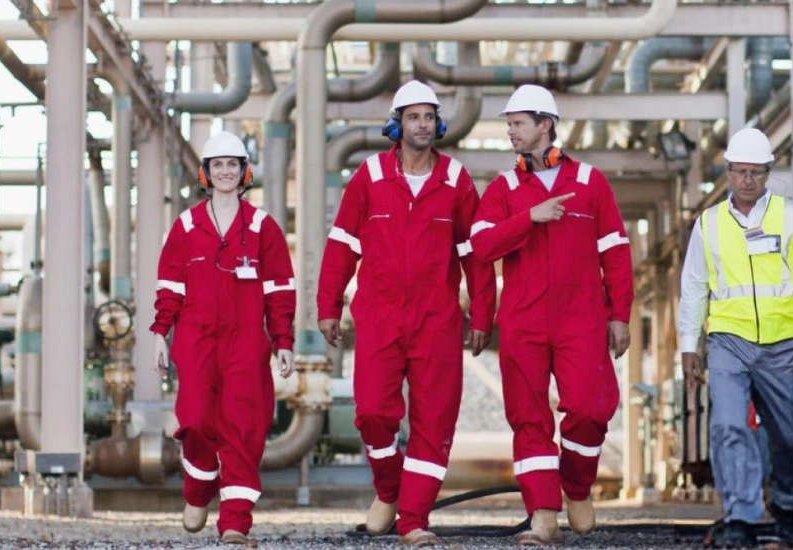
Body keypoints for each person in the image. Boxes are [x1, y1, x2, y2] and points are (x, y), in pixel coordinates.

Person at [316, 80, 497, 547]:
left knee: (435, 421)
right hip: (379, 316)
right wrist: (328, 304)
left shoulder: (455, 180)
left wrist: (482, 314)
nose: (422, 125)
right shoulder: (370, 176)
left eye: (429, 117)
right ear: (396, 125)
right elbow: (342, 244)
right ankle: (389, 490)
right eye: (413, 117)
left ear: (438, 124)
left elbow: (474, 254)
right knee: (373, 411)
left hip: (436, 320)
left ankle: (413, 519)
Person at [468, 84, 634, 546]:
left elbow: (616, 251)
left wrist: (619, 314)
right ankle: (542, 514)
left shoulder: (589, 183)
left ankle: (577, 487)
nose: (510, 132)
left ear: (546, 125)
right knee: (529, 417)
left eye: (518, 123)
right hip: (523, 319)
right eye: (508, 124)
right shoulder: (503, 189)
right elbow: (481, 245)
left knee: (590, 407)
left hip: (581, 317)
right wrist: (529, 218)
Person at [678, 128, 793, 549]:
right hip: (728, 341)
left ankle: (787, 507)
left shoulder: (791, 216)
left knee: (788, 434)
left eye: (756, 172)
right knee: (728, 425)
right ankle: (740, 516)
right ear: (727, 172)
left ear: (768, 173)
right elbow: (694, 286)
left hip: (779, 344)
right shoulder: (709, 224)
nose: (747, 180)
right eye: (740, 171)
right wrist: (688, 344)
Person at [151, 130, 296, 548]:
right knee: (196, 420)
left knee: (243, 428)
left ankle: (235, 522)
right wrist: (160, 332)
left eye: (233, 164)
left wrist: (283, 341)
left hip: (246, 342)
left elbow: (280, 290)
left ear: (244, 171)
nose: (226, 172)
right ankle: (199, 489)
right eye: (218, 165)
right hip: (195, 340)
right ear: (206, 173)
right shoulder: (186, 227)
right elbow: (170, 286)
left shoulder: (263, 227)